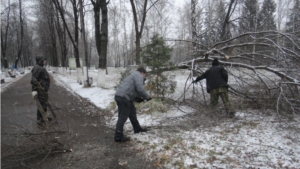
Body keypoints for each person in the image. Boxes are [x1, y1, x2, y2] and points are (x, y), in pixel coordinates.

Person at [114, 67, 152, 142]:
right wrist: (147, 97)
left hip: (121, 96)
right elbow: (140, 88)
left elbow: (132, 89)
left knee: (132, 113)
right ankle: (118, 137)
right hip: (124, 98)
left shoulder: (133, 75)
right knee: (122, 117)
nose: (145, 77)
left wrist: (138, 98)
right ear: (143, 73)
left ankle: (137, 129)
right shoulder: (139, 76)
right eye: (145, 75)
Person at [31, 56, 52, 123]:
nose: (45, 61)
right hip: (40, 90)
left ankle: (43, 117)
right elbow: (34, 80)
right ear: (40, 60)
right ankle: (40, 119)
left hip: (43, 89)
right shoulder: (37, 68)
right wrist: (34, 90)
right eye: (44, 60)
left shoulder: (40, 67)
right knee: (42, 104)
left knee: (44, 104)